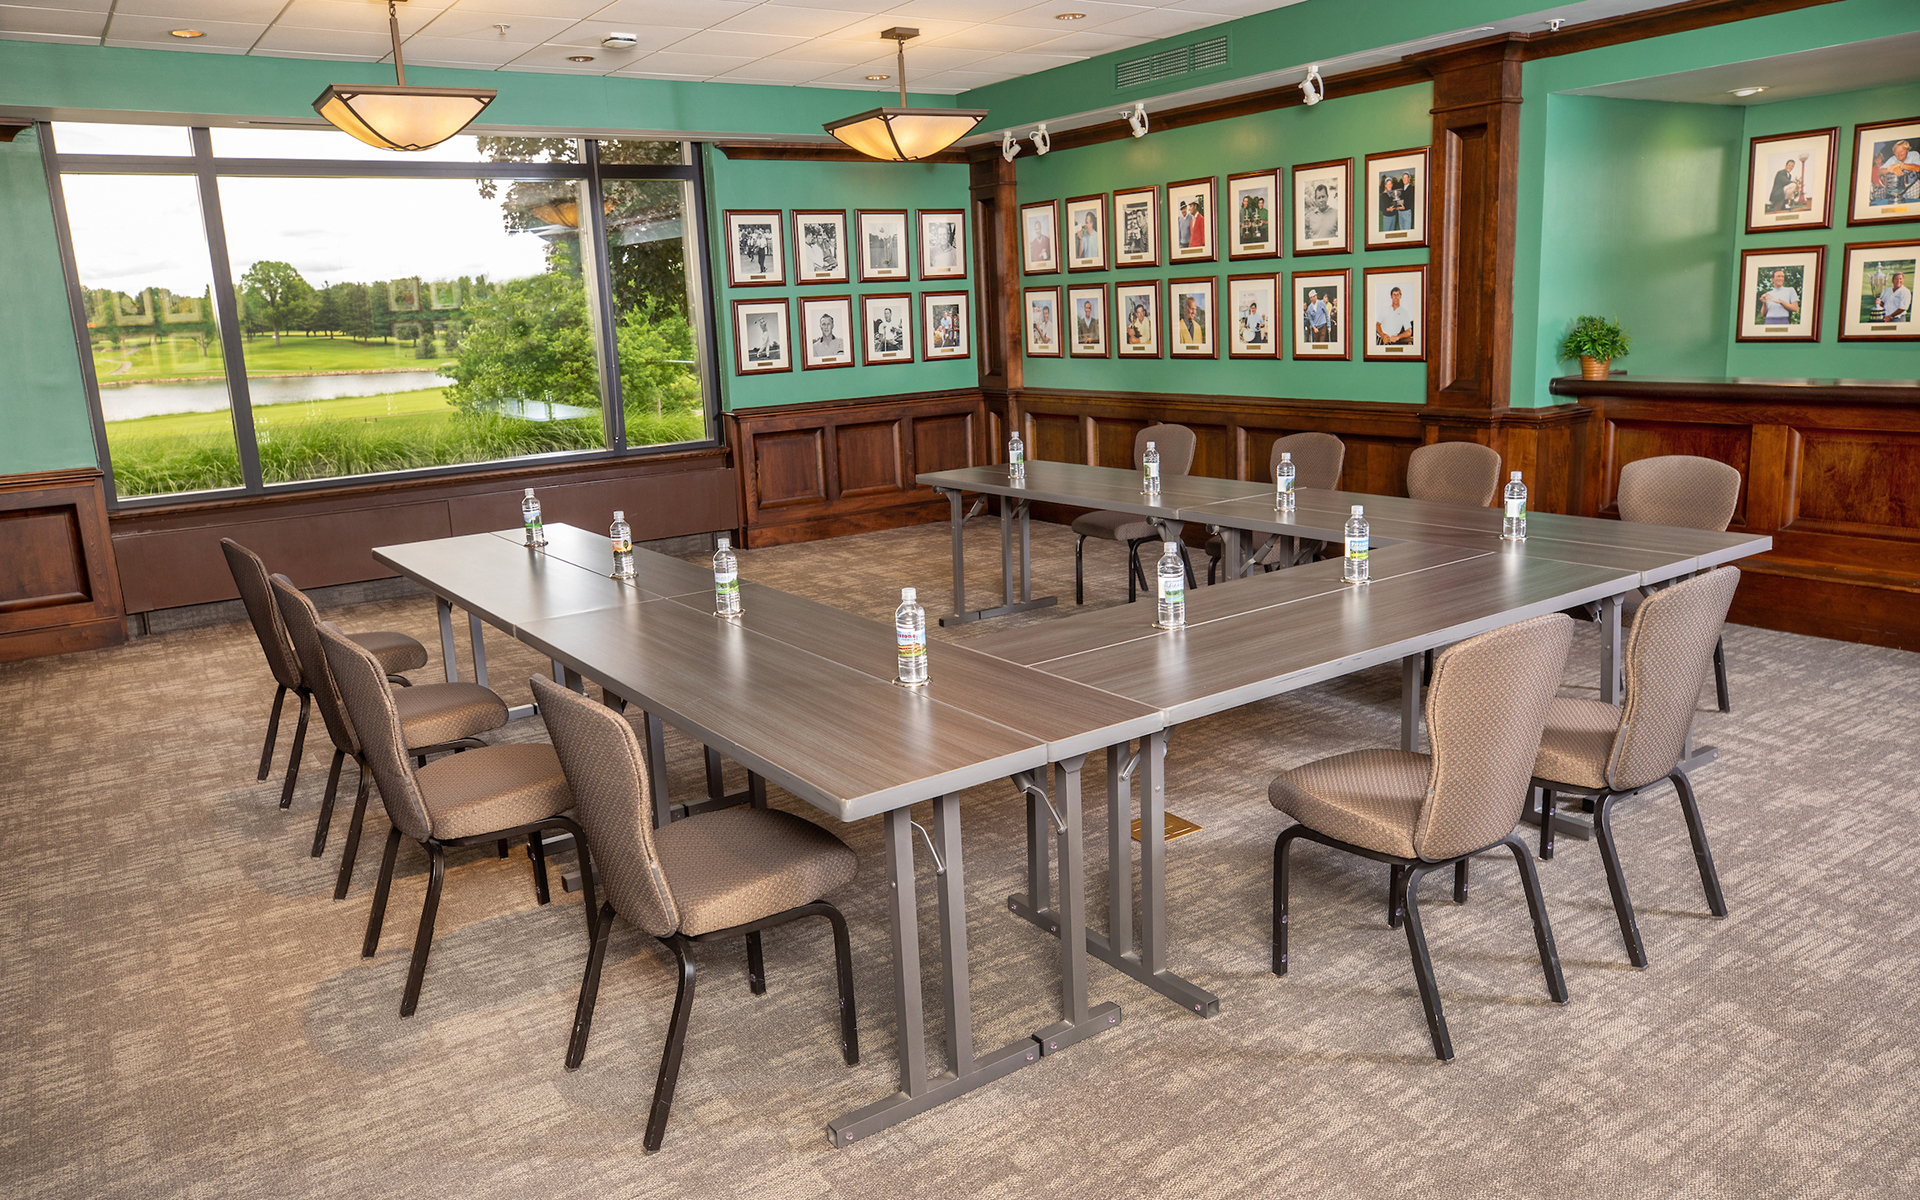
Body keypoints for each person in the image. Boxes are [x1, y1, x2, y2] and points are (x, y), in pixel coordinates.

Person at [1878, 139, 1920, 204]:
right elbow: (1879, 171)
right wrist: (1889, 169)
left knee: (1911, 204)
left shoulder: (1914, 154)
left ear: (1907, 150)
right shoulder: (1892, 159)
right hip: (1897, 186)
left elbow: (1918, 168)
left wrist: (1900, 165)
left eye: (1901, 151)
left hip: (1912, 185)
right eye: (1896, 152)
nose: (1899, 154)